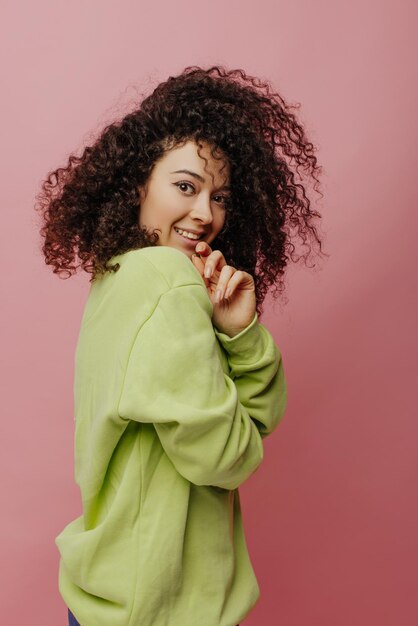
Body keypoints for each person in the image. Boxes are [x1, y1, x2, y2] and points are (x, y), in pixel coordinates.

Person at [35, 65, 325, 626]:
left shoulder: (116, 278)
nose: (204, 213)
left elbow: (251, 426)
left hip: (111, 597)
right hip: (159, 610)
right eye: (186, 186)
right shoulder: (167, 279)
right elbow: (227, 457)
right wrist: (241, 421)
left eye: (219, 197)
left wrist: (239, 333)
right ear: (137, 181)